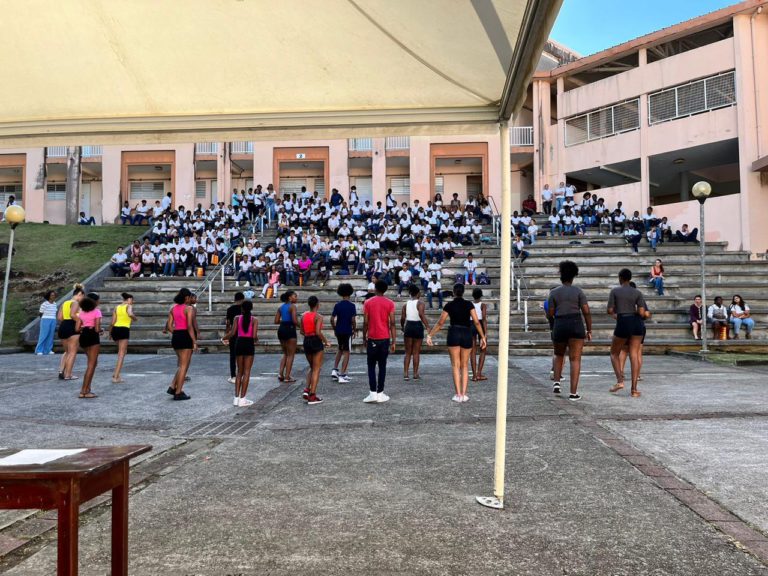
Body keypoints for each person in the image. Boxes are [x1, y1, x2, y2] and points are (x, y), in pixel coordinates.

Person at [426, 283, 486, 402]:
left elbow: (440, 323)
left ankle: (458, 394)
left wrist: (430, 335)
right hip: (466, 333)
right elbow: (476, 322)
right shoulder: (469, 304)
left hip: (453, 333)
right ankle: (464, 394)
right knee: (465, 365)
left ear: (453, 292)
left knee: (455, 365)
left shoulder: (449, 305)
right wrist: (483, 337)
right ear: (463, 292)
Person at [547, 261, 592, 401]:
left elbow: (550, 313)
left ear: (561, 275)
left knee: (559, 354)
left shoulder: (554, 292)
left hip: (560, 324)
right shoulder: (578, 291)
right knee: (575, 359)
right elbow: (586, 311)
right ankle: (573, 393)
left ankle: (556, 382)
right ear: (574, 276)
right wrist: (589, 329)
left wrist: (555, 322)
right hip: (576, 324)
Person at [607, 269, 647, 398]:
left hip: (623, 321)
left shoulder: (615, 291)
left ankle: (620, 381)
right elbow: (642, 313)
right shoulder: (637, 292)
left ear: (620, 278)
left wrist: (617, 316)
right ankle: (634, 390)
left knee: (614, 353)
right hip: (637, 323)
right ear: (630, 278)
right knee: (634, 355)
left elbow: (610, 310)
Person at [362, 279, 396, 403]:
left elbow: (366, 322)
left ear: (375, 288)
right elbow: (392, 323)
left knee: (371, 366)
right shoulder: (390, 303)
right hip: (385, 338)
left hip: (372, 338)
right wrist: (394, 341)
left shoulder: (368, 302)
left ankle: (372, 393)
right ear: (385, 290)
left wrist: (364, 337)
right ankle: (380, 393)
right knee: (382, 366)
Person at [223, 300, 259, 407]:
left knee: (239, 372)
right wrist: (257, 340)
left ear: (242, 308)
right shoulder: (254, 320)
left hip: (239, 343)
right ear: (251, 308)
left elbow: (232, 333)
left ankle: (236, 398)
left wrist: (224, 338)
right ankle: (243, 399)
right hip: (249, 344)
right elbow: (254, 336)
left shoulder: (237, 318)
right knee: (247, 372)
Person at [165, 288, 196, 400]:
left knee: (181, 365)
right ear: (187, 297)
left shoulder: (173, 309)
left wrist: (177, 333)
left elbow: (169, 326)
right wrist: (194, 341)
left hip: (176, 336)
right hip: (185, 337)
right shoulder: (189, 308)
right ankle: (178, 392)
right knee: (184, 366)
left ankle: (173, 386)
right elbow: (189, 326)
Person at [300, 296, 328, 405]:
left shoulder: (303, 316)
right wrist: (326, 341)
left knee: (312, 367)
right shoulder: (318, 316)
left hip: (306, 340)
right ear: (317, 305)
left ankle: (307, 389)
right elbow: (318, 332)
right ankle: (312, 395)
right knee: (316, 369)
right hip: (316, 341)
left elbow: (302, 331)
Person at [75, 293, 102, 399]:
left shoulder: (81, 312)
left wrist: (85, 327)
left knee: (92, 363)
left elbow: (77, 329)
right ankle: (84, 391)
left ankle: (87, 388)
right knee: (91, 365)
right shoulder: (97, 311)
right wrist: (101, 330)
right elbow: (97, 329)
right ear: (95, 302)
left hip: (83, 337)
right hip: (93, 337)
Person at [401, 284, 430, 381]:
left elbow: (403, 318)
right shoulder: (420, 303)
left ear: (410, 294)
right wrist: (427, 326)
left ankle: (406, 374)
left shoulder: (405, 304)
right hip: (417, 326)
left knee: (408, 352)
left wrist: (402, 326)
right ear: (418, 294)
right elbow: (421, 314)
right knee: (416, 352)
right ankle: (415, 374)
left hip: (409, 326)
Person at [57, 284, 85, 381]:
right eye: (83, 296)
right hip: (72, 327)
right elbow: (73, 315)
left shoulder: (64, 303)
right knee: (72, 353)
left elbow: (59, 317)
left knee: (67, 352)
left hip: (63, 326)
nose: (82, 299)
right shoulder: (75, 303)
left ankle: (61, 371)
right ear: (79, 294)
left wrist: (67, 322)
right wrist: (80, 321)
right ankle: (68, 374)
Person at [331, 283, 357, 384]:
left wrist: (335, 328)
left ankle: (335, 370)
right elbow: (353, 320)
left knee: (340, 349)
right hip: (347, 331)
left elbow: (332, 319)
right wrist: (354, 329)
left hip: (339, 330)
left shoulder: (337, 305)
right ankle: (342, 375)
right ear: (350, 293)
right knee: (347, 352)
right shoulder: (352, 306)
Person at [109, 292, 137, 383]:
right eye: (132, 300)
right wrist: (135, 318)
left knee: (122, 352)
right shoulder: (129, 306)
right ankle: (115, 377)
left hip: (115, 329)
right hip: (124, 329)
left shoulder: (117, 307)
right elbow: (130, 314)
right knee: (122, 354)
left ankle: (117, 374)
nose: (132, 302)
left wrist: (110, 333)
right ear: (129, 299)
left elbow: (113, 322)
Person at [275, 291, 299, 383]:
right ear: (289, 297)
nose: (296, 298)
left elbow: (276, 321)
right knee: (291, 354)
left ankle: (281, 374)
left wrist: (284, 322)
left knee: (285, 353)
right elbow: (295, 321)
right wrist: (302, 327)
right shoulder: (292, 307)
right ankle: (287, 376)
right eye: (295, 296)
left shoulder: (280, 307)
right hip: (290, 329)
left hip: (281, 329)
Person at [225, 292, 245, 384]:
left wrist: (227, 334)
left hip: (234, 334)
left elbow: (228, 323)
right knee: (242, 355)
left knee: (232, 355)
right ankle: (242, 375)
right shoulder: (245, 309)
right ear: (243, 299)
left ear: (235, 299)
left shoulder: (230, 309)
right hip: (243, 334)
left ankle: (233, 376)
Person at [470, 287, 488, 382]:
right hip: (480, 323)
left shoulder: (470, 304)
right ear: (481, 295)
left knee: (472, 351)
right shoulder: (483, 305)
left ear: (473, 295)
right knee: (483, 349)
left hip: (471, 324)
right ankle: (479, 373)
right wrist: (485, 333)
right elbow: (484, 319)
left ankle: (474, 375)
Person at [35, 290, 58, 356]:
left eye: (54, 295)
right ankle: (39, 350)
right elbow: (40, 313)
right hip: (45, 319)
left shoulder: (55, 304)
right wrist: (44, 319)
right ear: (49, 296)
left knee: (50, 335)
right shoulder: (44, 304)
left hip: (53, 320)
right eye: (52, 295)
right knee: (43, 335)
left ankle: (48, 350)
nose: (53, 296)